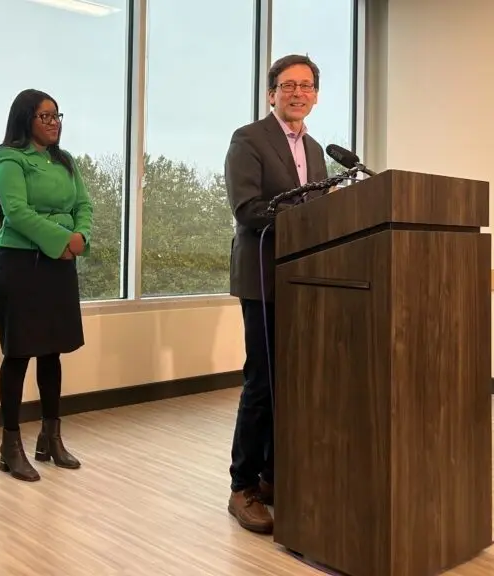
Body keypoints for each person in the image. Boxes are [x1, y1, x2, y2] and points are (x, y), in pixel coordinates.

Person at [223, 54, 329, 534]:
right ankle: (242, 486)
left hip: (304, 279)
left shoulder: (318, 150)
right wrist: (306, 215)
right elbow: (248, 209)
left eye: (307, 86)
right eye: (289, 86)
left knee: (293, 383)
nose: (298, 93)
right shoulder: (249, 139)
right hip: (263, 278)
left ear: (315, 95)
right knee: (262, 382)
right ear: (272, 94)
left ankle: (272, 475)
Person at [0, 89, 93, 482]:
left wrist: (80, 235)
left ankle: (51, 437)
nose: (53, 123)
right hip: (20, 264)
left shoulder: (65, 161)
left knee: (53, 353)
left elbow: (85, 205)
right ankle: (9, 445)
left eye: (56, 116)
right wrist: (62, 240)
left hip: (58, 264)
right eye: (44, 117)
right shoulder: (9, 158)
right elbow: (16, 213)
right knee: (18, 354)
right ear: (25, 120)